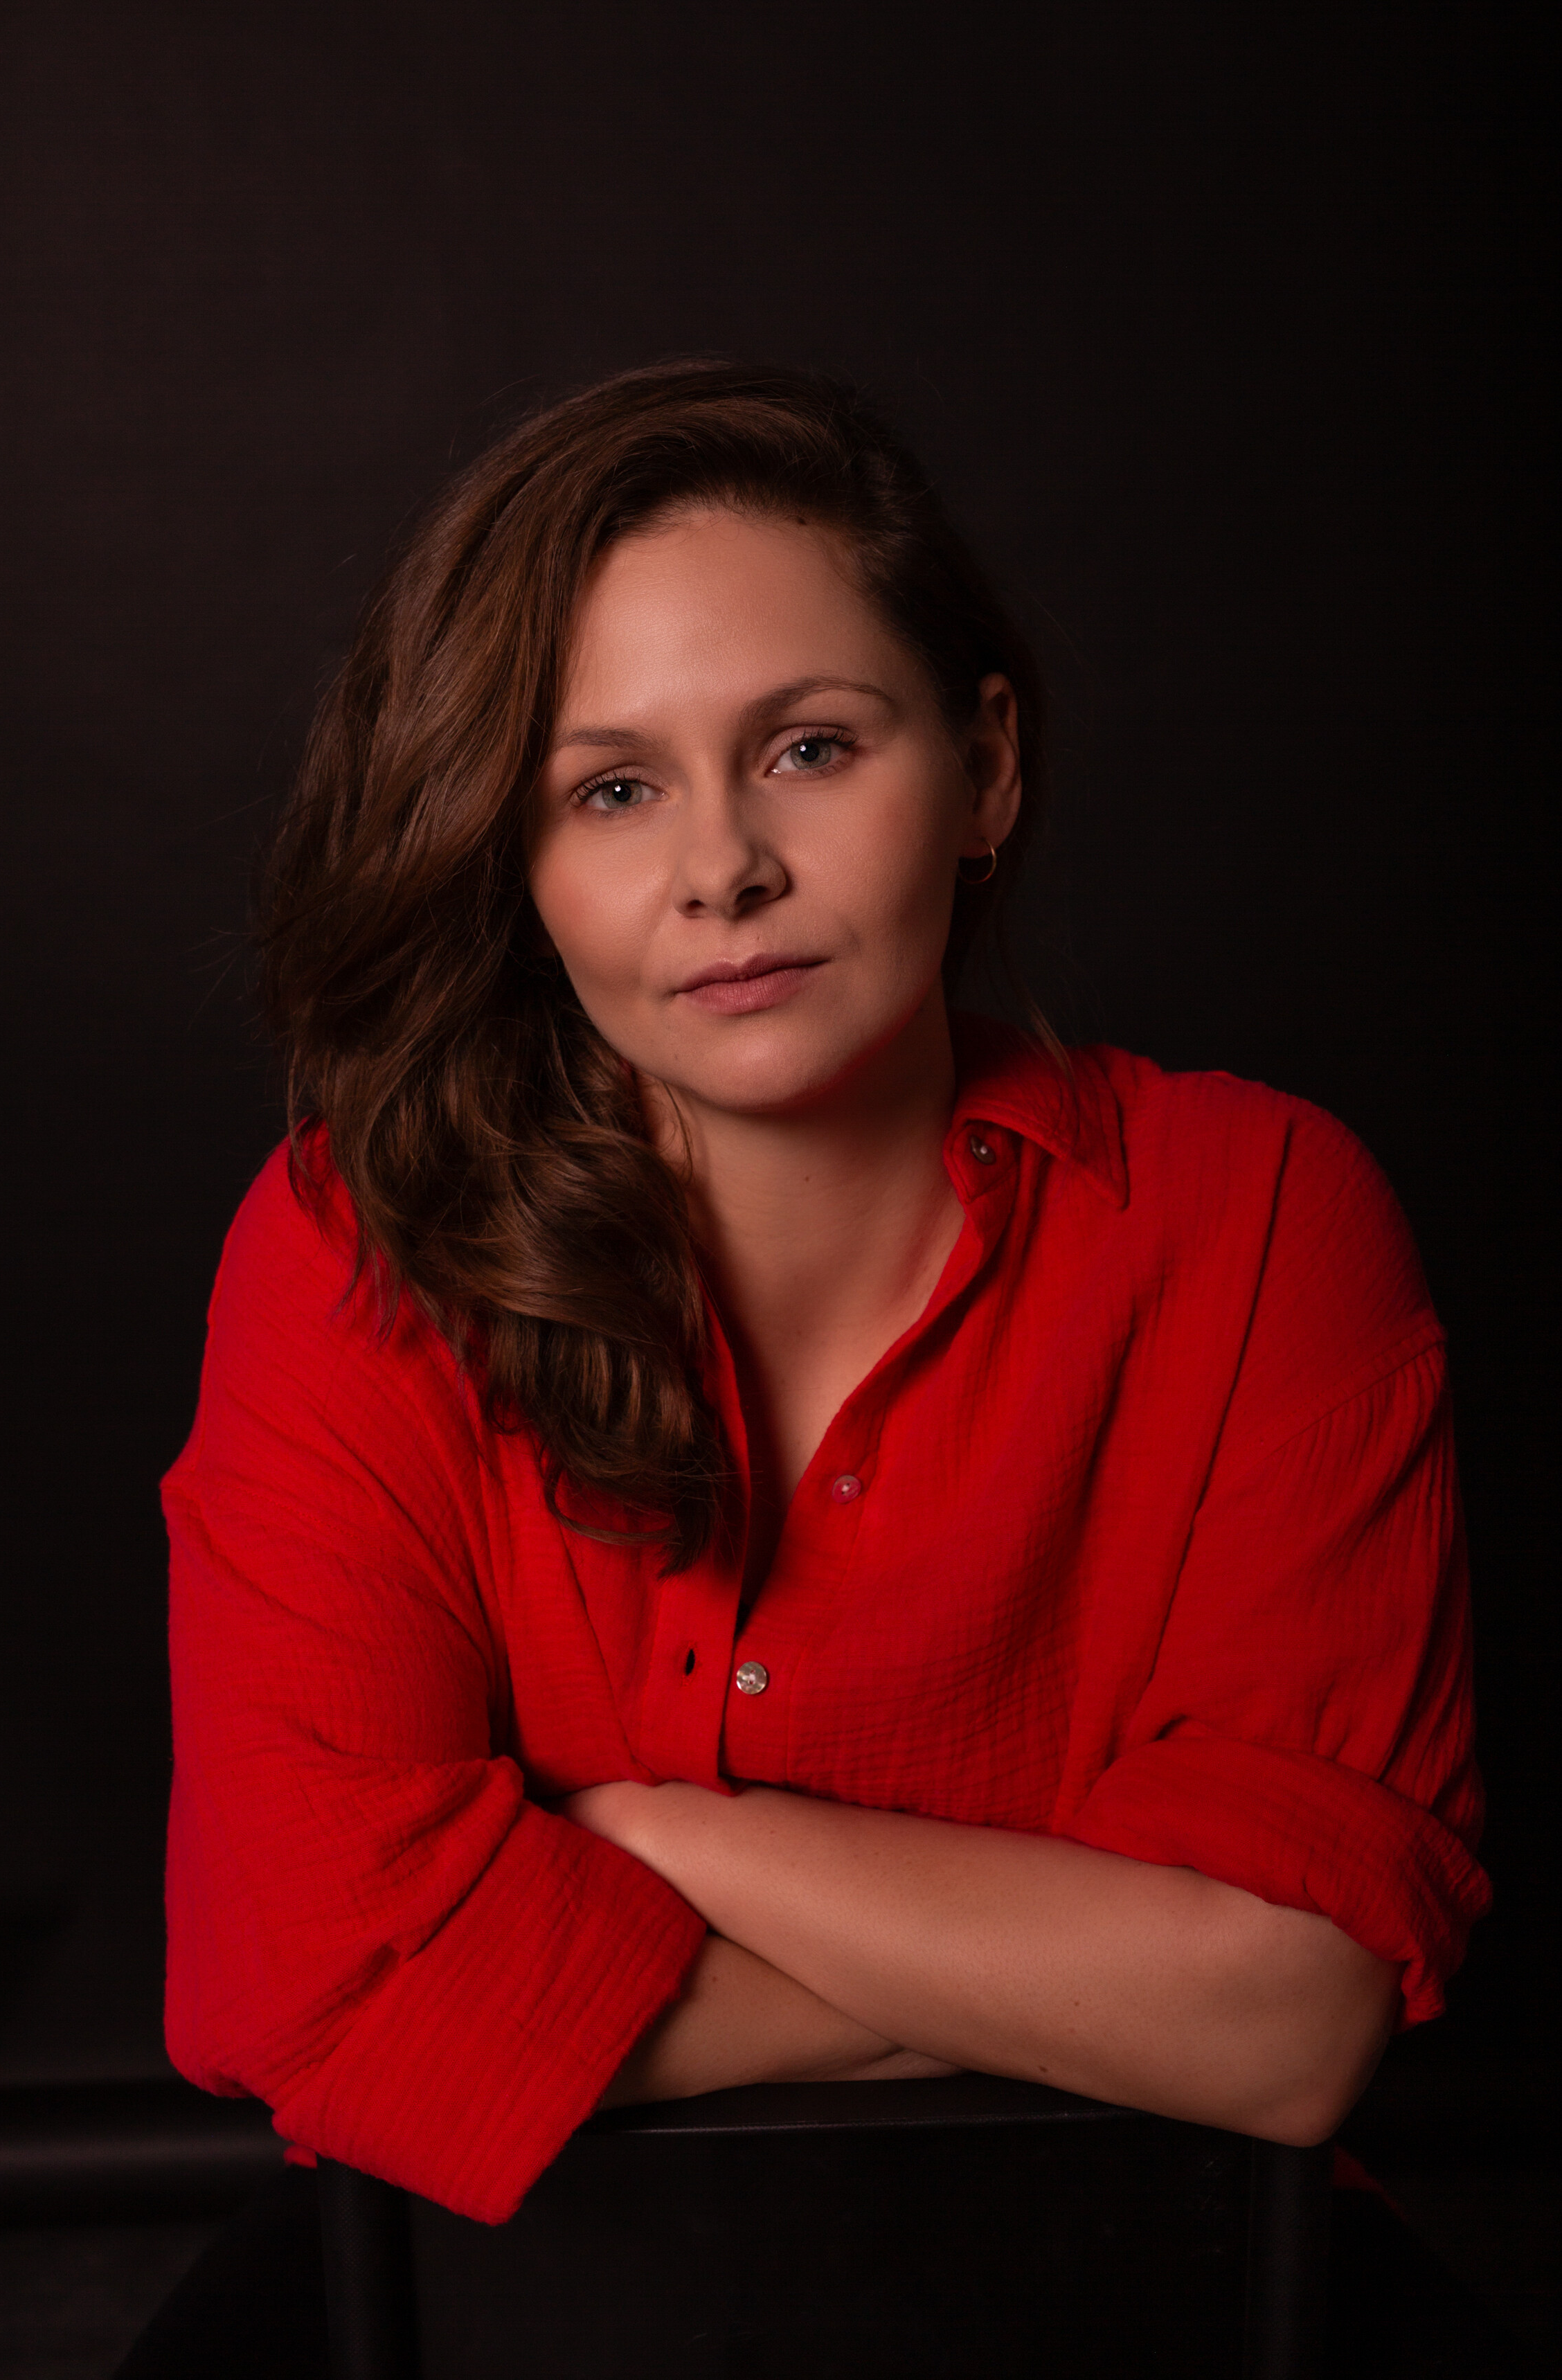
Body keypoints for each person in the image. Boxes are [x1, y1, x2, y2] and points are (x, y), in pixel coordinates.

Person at [162, 360, 1489, 2233]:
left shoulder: (1259, 1218)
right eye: (613, 789)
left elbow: (1288, 2017)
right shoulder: (354, 1248)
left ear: (985, 767)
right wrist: (1092, 1990)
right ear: (517, 865)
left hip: (1144, 2300)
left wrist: (653, 1845)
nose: (723, 869)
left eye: (809, 748)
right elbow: (313, 1986)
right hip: (527, 2317)